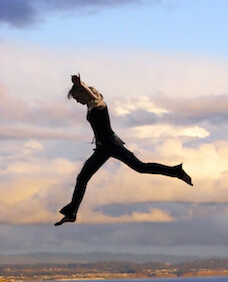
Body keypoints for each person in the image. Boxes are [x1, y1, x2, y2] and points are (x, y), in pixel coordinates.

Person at [55, 74, 192, 226]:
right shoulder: (90, 106)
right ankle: (71, 213)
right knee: (82, 178)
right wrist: (81, 87)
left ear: (83, 93)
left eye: (77, 97)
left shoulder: (99, 104)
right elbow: (90, 97)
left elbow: (93, 96)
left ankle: (176, 171)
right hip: (102, 148)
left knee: (140, 167)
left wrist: (81, 85)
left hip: (112, 145)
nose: (77, 101)